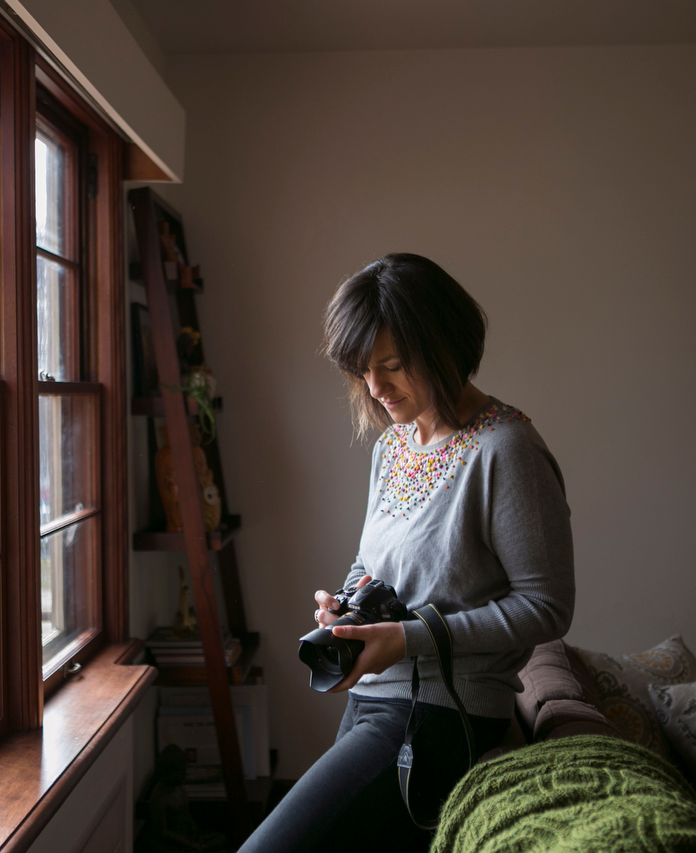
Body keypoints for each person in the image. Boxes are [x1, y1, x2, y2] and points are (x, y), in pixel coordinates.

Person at [239, 253, 574, 853]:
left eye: (391, 366)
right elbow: (372, 565)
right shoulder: (395, 445)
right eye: (362, 371)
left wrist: (409, 637)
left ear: (444, 345)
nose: (374, 388)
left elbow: (547, 608)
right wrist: (343, 607)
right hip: (376, 699)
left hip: (444, 715)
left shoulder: (507, 450)